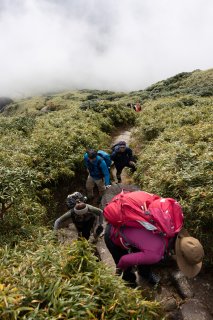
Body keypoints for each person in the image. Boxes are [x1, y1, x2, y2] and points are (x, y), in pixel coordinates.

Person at [104, 224, 204, 287]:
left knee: (147, 256)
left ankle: (144, 273)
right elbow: (124, 260)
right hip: (113, 234)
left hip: (131, 228)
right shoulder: (155, 253)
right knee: (128, 266)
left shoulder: (173, 227)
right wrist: (118, 271)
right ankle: (129, 281)